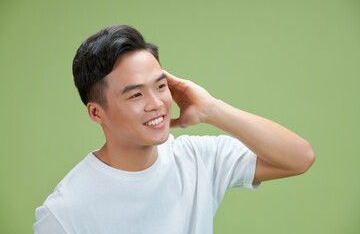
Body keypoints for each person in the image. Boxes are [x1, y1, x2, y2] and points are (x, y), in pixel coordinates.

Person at [33, 25, 315, 234]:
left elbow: (300, 158)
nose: (156, 104)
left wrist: (212, 109)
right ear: (97, 112)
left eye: (160, 86)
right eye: (135, 95)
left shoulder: (196, 158)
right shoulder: (64, 214)